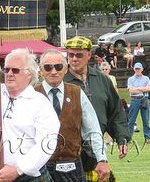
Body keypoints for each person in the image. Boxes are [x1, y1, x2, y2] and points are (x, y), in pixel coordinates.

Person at [0, 43, 60, 181]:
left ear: (29, 73)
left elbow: (46, 143)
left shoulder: (40, 103)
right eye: (7, 69)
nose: (9, 73)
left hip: (26, 176)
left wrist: (18, 169)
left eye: (15, 70)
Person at [36, 49, 110, 182]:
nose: (53, 71)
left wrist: (102, 158)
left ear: (66, 69)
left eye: (58, 67)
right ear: (41, 70)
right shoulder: (32, 95)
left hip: (72, 166)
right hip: (38, 167)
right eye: (48, 67)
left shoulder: (77, 93)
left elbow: (93, 130)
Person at [63, 36, 130, 182]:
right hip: (66, 154)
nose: (74, 59)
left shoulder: (102, 80)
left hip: (96, 151)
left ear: (89, 55)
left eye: (79, 55)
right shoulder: (60, 81)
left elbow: (116, 113)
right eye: (70, 55)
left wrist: (121, 138)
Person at [127, 62, 150, 144]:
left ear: (142, 69)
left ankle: (147, 137)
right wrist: (143, 89)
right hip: (134, 100)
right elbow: (131, 90)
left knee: (146, 119)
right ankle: (128, 137)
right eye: (136, 68)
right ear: (134, 69)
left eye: (139, 68)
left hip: (144, 99)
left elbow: (149, 89)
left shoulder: (146, 78)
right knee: (131, 120)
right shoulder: (130, 79)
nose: (137, 70)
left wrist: (137, 89)